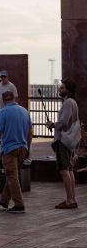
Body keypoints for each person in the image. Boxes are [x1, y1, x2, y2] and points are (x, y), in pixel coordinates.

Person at [0, 89, 32, 213]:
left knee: (11, 176)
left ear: (3, 100)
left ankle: (19, 204)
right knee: (13, 175)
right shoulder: (24, 111)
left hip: (9, 149)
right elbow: (30, 132)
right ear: (14, 99)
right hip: (22, 148)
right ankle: (4, 200)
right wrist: (28, 148)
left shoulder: (3, 112)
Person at [47, 79, 80, 209]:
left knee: (64, 170)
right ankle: (72, 198)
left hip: (63, 140)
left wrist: (52, 124)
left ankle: (70, 200)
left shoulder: (68, 103)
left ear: (68, 90)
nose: (60, 90)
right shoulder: (73, 102)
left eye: (62, 88)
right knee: (69, 169)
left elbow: (64, 121)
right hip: (68, 140)